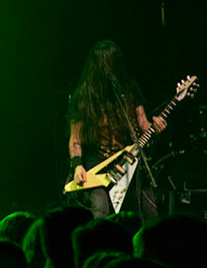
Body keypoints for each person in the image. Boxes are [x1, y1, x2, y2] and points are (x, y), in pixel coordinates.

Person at [66, 39, 165, 220]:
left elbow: (143, 125)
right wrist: (77, 165)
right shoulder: (83, 96)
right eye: (102, 63)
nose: (106, 69)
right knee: (100, 210)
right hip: (97, 163)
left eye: (110, 63)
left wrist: (157, 127)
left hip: (128, 161)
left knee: (150, 214)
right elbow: (75, 139)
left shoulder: (129, 89)